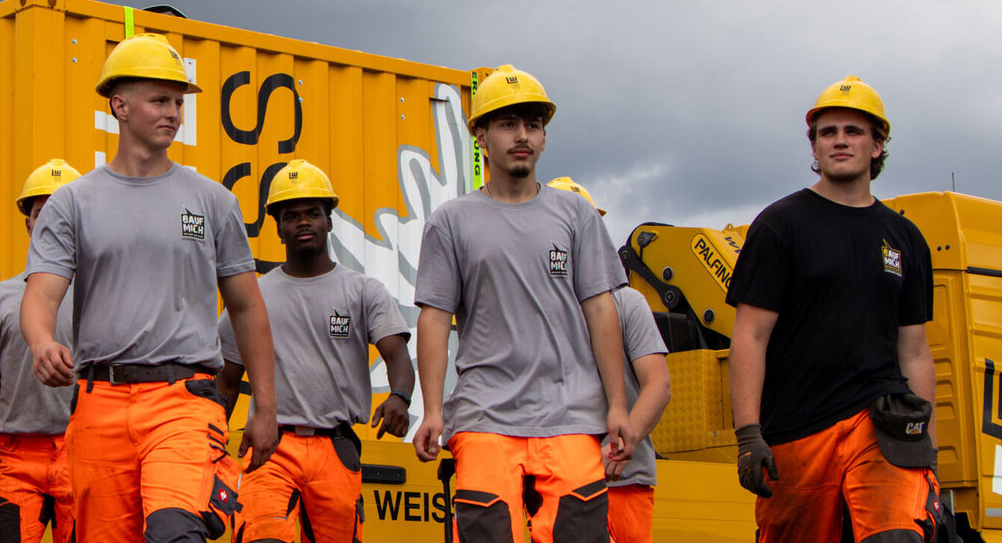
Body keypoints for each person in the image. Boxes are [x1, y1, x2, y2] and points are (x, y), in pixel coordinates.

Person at [20, 33, 280, 542]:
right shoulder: (72, 203)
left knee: (175, 530)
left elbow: (248, 308)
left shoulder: (212, 201)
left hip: (184, 399)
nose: (175, 113)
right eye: (161, 100)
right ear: (119, 105)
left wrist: (266, 406)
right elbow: (42, 294)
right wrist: (41, 341)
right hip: (98, 403)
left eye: (179, 102)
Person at [411, 65, 634, 543]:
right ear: (481, 136)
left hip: (572, 416)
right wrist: (432, 409)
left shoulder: (575, 214)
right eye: (508, 124)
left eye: (532, 125)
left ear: (544, 138)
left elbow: (601, 311)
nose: (522, 136)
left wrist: (618, 404)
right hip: (484, 416)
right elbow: (434, 319)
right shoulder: (451, 221)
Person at [727, 76, 941, 542]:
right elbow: (750, 336)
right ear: (815, 146)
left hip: (881, 421)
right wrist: (748, 435)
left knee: (897, 536)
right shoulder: (780, 225)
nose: (840, 140)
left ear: (878, 146)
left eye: (853, 131)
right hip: (799, 429)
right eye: (828, 132)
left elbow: (915, 352)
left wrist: (930, 445)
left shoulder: (905, 239)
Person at [216, 159, 415, 543]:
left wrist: (400, 397)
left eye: (313, 213)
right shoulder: (253, 297)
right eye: (291, 216)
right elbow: (226, 379)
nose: (303, 222)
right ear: (278, 227)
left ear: (329, 221)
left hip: (336, 447)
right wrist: (208, 442)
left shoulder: (363, 291)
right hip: (270, 444)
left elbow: (396, 354)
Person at [0, 159, 83, 543]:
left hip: (87, 451)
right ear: (27, 223)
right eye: (42, 213)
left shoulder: (105, 295)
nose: (52, 223)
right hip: (13, 458)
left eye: (63, 213)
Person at [546, 177, 670, 543]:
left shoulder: (626, 302)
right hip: (552, 472)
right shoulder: (532, 302)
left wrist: (621, 447)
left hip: (621, 478)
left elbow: (658, 385)